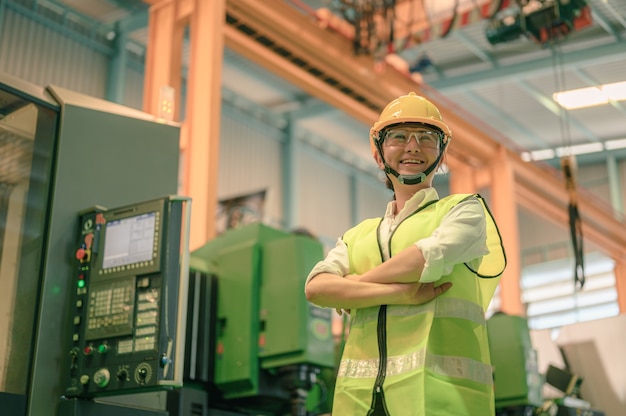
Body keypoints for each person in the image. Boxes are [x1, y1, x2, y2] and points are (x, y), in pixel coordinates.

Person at [304, 92, 506, 416]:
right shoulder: (358, 236)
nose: (413, 146)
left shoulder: (464, 211)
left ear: (442, 153)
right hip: (362, 401)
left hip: (441, 399)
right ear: (378, 152)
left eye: (426, 137)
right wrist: (403, 294)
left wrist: (357, 285)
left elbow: (424, 258)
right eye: (399, 136)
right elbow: (316, 288)